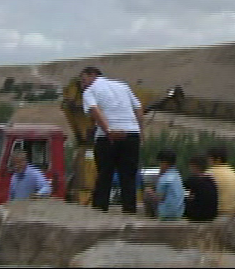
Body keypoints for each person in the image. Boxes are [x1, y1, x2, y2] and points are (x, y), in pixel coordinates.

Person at [79, 66, 143, 214]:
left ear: (92, 75)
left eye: (83, 80)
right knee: (128, 175)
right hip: (131, 133)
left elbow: (95, 111)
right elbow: (138, 108)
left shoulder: (90, 91)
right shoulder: (123, 86)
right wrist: (140, 132)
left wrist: (109, 131)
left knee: (104, 174)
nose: (83, 84)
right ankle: (129, 211)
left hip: (108, 137)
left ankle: (100, 210)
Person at [143, 149, 184, 220]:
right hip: (178, 213)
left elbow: (160, 198)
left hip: (167, 213)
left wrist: (151, 192)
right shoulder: (177, 175)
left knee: (147, 192)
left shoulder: (164, 179)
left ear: (164, 162)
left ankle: (151, 217)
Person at [205, 145, 235, 215]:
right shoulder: (232, 172)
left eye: (210, 157)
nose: (208, 160)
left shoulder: (210, 173)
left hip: (220, 213)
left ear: (217, 159)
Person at [183, 154, 218, 222]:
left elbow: (180, 188)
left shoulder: (193, 179)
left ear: (195, 166)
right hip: (212, 214)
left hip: (199, 215)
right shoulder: (210, 179)